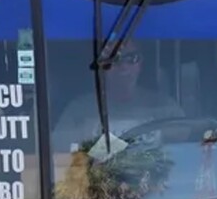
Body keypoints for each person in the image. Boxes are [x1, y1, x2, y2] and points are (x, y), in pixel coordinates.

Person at [51, 38, 185, 154]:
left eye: (132, 58)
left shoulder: (163, 106)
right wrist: (85, 135)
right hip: (99, 175)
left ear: (140, 63)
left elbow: (188, 135)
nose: (124, 66)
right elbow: (57, 145)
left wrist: (162, 132)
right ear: (102, 66)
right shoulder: (80, 109)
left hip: (154, 174)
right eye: (114, 59)